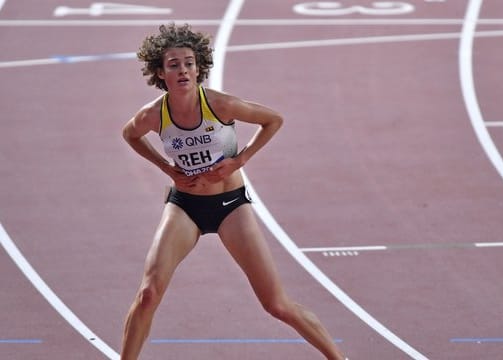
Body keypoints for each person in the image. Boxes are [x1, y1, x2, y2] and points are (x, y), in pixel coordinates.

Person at [120, 23, 347, 360]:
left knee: (277, 305)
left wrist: (239, 160)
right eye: (174, 64)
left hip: (230, 206)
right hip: (185, 207)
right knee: (148, 293)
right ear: (160, 72)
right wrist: (168, 170)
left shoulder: (219, 105)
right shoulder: (153, 115)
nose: (183, 70)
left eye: (189, 63)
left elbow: (273, 120)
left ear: (199, 67)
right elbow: (130, 135)